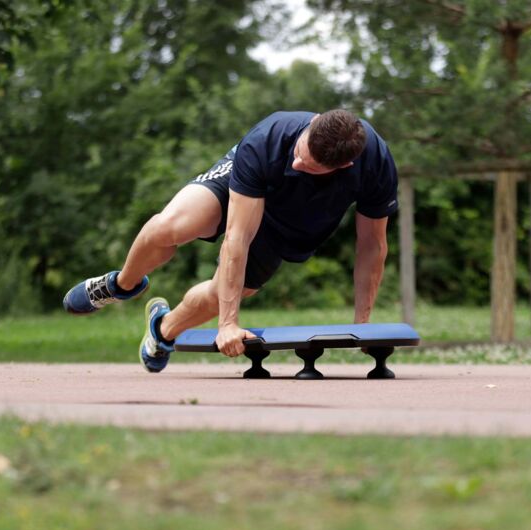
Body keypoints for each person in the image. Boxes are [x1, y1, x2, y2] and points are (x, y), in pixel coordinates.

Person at [63, 109, 398, 372]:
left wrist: (362, 326)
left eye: (308, 166)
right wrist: (228, 324)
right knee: (171, 226)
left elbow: (372, 246)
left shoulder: (376, 165)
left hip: (292, 222)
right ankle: (122, 284)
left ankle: (163, 329)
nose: (297, 163)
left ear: (344, 166)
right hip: (245, 185)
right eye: (299, 152)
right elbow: (237, 237)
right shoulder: (268, 139)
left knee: (223, 289)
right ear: (312, 124)